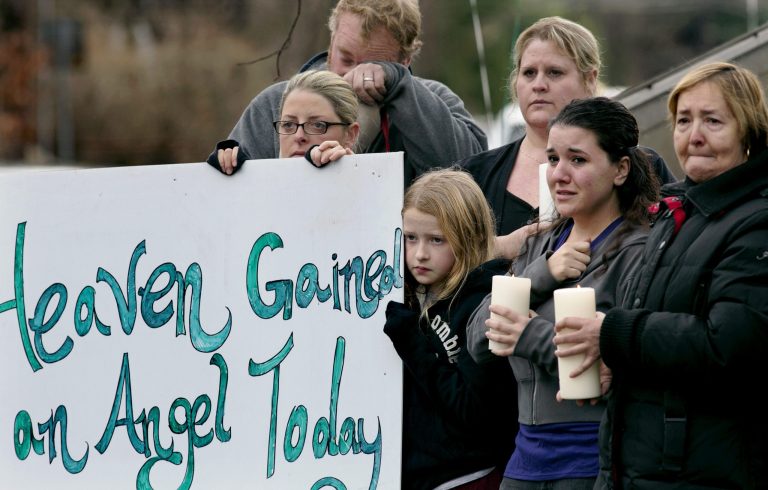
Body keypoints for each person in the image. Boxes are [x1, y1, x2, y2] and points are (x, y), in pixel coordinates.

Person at [553, 62, 768, 488]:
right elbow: (662, 335)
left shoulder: (757, 221)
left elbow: (728, 344)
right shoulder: (676, 214)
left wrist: (612, 334)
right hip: (643, 467)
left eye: (713, 120)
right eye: (684, 120)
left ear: (748, 131)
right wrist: (620, 364)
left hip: (705, 473)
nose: (695, 135)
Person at [466, 97, 660, 489]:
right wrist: (542, 275)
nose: (560, 174)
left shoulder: (641, 251)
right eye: (553, 159)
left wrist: (530, 334)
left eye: (578, 160)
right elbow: (477, 340)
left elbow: (615, 365)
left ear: (621, 169)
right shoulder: (541, 245)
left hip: (594, 464)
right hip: (523, 463)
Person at [456, 17, 674, 259]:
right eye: (529, 73)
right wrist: (500, 247)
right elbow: (429, 258)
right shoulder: (474, 175)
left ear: (590, 79)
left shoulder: (638, 164)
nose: (539, 84)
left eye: (554, 72)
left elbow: (673, 247)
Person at [210, 0, 486, 184]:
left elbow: (474, 175)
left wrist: (399, 87)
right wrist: (227, 166)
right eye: (346, 59)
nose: (354, 76)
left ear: (404, 62)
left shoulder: (434, 100)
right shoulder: (275, 104)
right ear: (332, 43)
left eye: (373, 64)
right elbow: (226, 201)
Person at [383, 169, 517, 490]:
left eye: (436, 240)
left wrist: (413, 343)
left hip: (469, 477)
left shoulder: (485, 304)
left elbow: (472, 410)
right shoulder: (400, 291)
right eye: (410, 238)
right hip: (410, 474)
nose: (420, 254)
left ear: (467, 237)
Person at [208, 70, 359, 169]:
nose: (299, 136)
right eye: (288, 124)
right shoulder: (254, 188)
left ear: (350, 135)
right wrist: (222, 178)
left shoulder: (372, 191)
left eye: (318, 125)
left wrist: (351, 176)